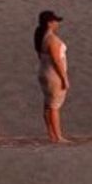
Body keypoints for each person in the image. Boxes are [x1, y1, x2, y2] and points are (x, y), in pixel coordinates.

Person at [35, 10, 69, 143]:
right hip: (52, 75)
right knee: (54, 106)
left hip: (44, 72)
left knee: (48, 104)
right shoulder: (52, 39)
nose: (57, 24)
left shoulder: (42, 37)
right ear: (49, 23)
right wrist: (64, 77)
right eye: (55, 21)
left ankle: (51, 134)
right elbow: (57, 60)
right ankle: (58, 136)